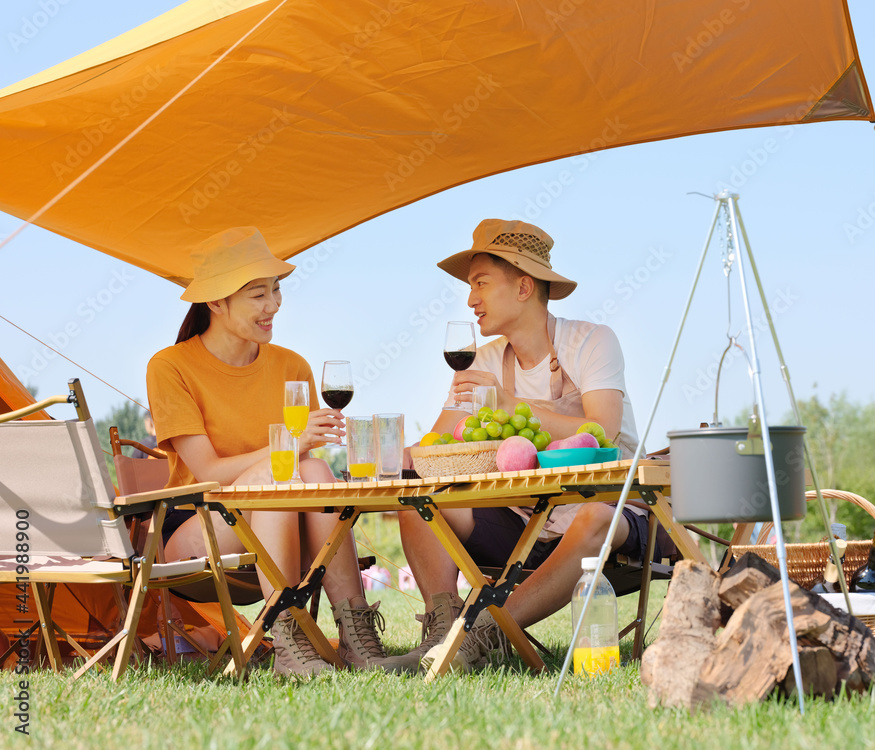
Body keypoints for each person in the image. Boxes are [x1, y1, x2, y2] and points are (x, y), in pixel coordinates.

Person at [382, 218, 663, 673]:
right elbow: (434, 447)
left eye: (480, 283)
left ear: (523, 287)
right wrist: (389, 453)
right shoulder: (486, 360)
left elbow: (603, 430)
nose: (471, 299)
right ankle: (442, 630)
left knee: (594, 515)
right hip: (524, 524)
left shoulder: (592, 341)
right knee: (419, 489)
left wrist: (514, 403)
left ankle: (478, 637)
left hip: (612, 513)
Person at [147, 227, 388, 676]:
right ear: (216, 302)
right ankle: (289, 641)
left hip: (279, 515)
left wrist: (294, 453)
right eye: (259, 294)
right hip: (201, 521)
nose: (273, 305)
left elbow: (297, 466)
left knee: (310, 468)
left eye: (276, 291)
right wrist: (289, 445)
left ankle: (357, 638)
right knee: (288, 471)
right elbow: (208, 471)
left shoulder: (290, 366)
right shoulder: (171, 366)